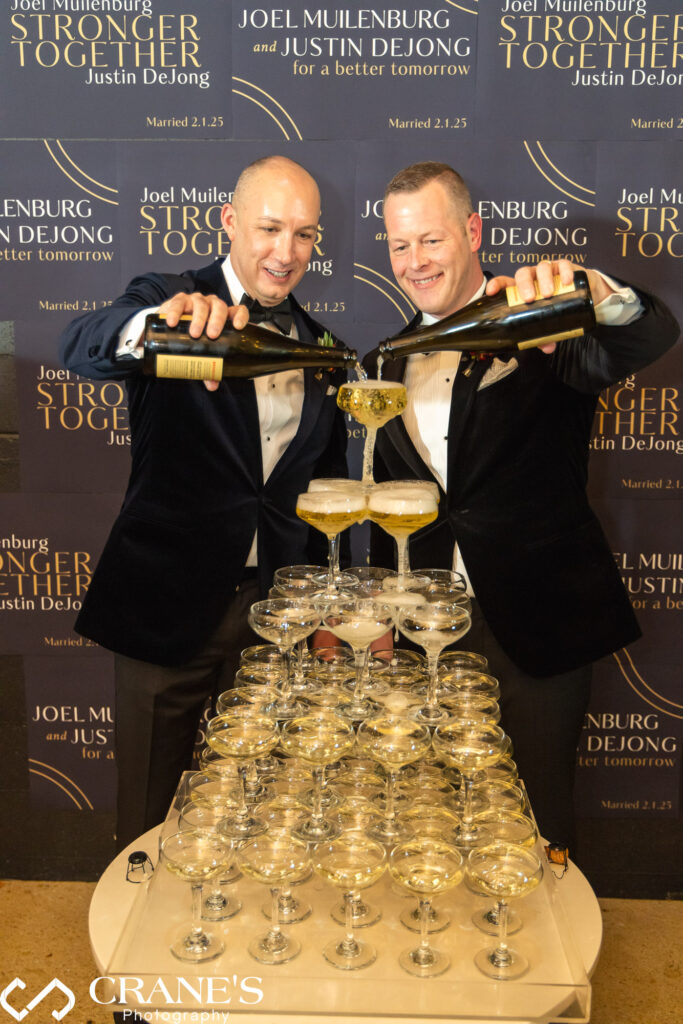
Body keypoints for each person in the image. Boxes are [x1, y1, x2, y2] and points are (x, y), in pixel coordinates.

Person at [363, 161, 679, 856]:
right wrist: (382, 616)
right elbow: (388, 505)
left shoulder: (544, 325)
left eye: (431, 240)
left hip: (538, 619)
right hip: (425, 630)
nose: (414, 261)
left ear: (472, 232)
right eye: (398, 245)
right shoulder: (382, 361)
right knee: (427, 817)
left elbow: (647, 335)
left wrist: (593, 294)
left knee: (535, 821)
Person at [59, 155, 349, 850]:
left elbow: (322, 499)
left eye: (304, 234)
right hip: (165, 605)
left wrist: (327, 612)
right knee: (147, 827)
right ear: (228, 221)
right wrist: (158, 322)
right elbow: (82, 343)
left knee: (261, 820)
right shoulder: (170, 298)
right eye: (270, 228)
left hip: (276, 623)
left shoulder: (325, 350)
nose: (286, 253)